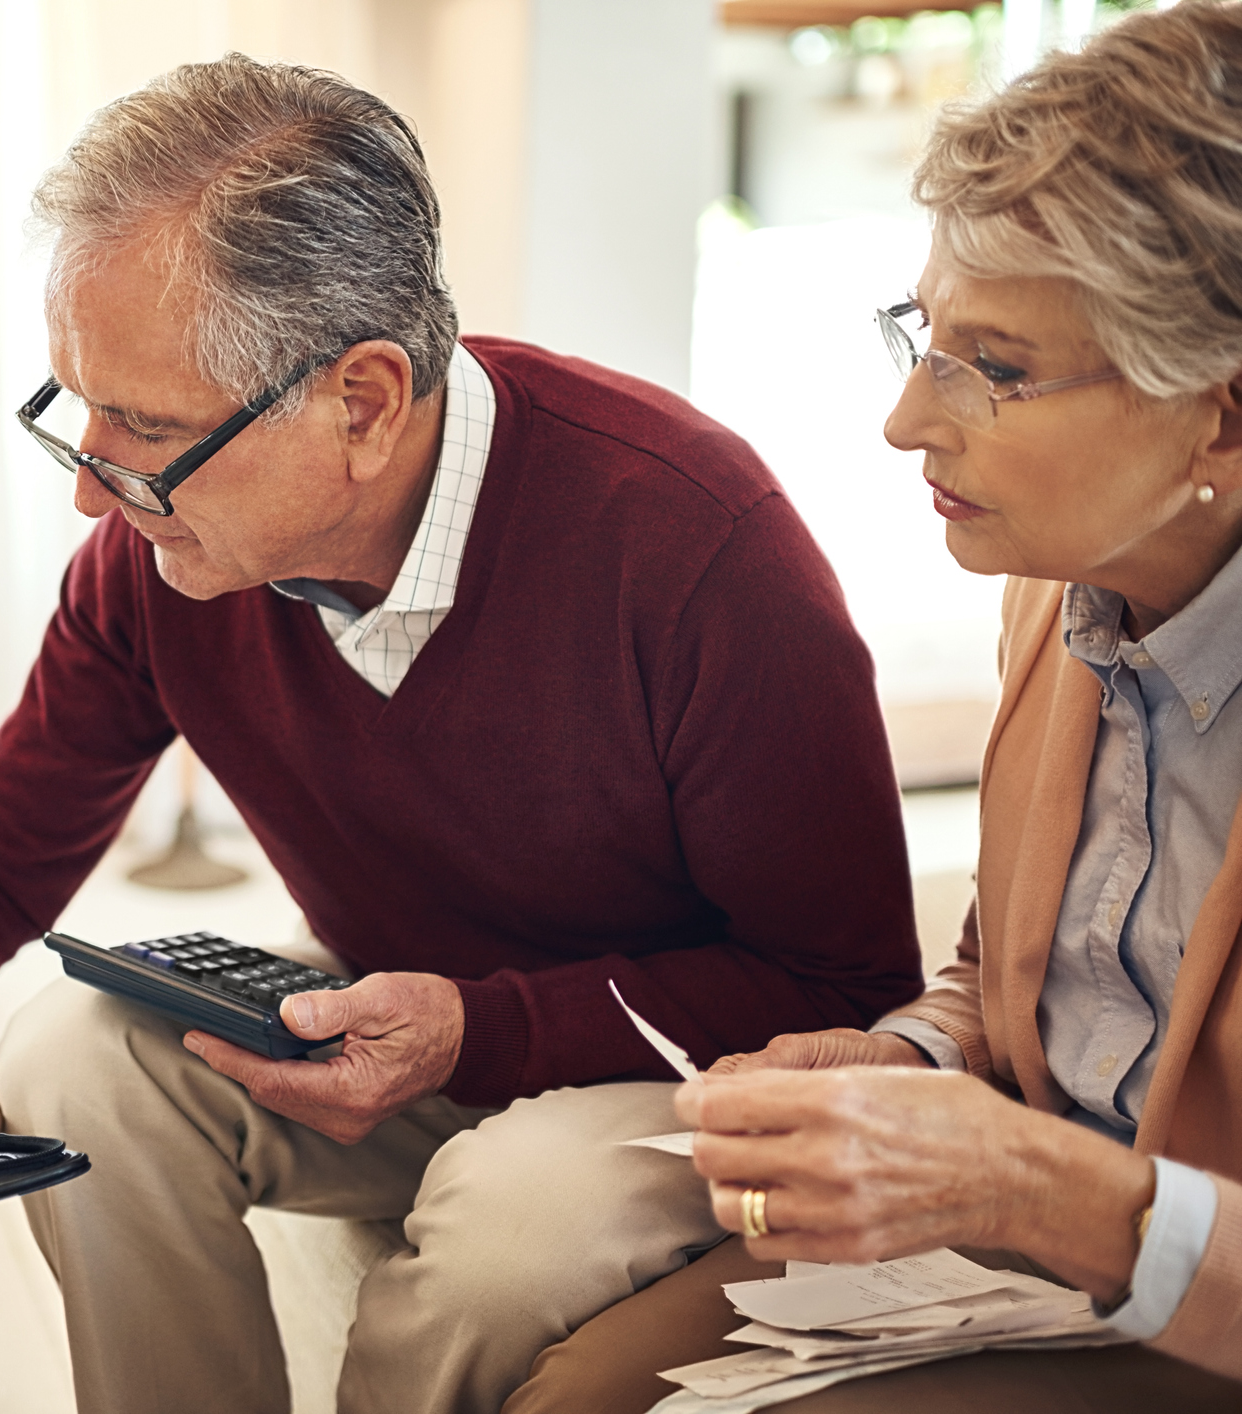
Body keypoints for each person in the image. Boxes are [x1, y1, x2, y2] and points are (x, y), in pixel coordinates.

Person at [0, 56, 921, 1414]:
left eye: (139, 426)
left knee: (514, 1206)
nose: (92, 485)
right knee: (71, 1059)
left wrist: (485, 1030)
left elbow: (847, 987)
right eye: (76, 411)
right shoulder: (160, 564)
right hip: (410, 1025)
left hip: (669, 1072)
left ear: (366, 402)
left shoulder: (695, 545)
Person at [505, 7, 1242, 1412]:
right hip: (1023, 1251)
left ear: (1222, 412)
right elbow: (1023, 973)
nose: (908, 420)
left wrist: (1045, 1183)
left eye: (999, 367)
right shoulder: (1063, 584)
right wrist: (907, 1051)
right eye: (924, 336)